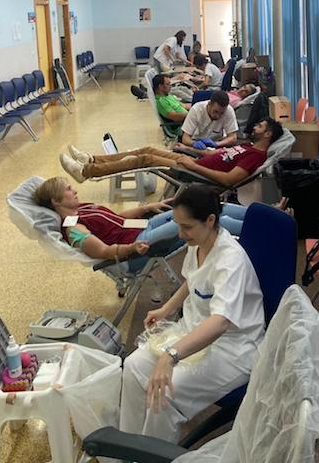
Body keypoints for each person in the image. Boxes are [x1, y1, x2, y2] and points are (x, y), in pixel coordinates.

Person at [119, 184, 265, 443]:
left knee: (164, 392)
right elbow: (193, 280)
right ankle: (128, 446)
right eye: (178, 225)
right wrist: (166, 309)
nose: (180, 233)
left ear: (210, 220)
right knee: (132, 367)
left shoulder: (230, 260)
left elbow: (220, 322)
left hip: (232, 348)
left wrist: (171, 355)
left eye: (186, 227)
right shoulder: (198, 243)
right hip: (195, 330)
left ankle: (154, 454)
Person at [33, 178, 248, 269]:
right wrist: (131, 248)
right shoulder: (73, 229)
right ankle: (258, 228)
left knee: (212, 206)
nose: (75, 190)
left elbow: (117, 218)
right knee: (208, 219)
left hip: (143, 227)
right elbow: (104, 251)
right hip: (137, 246)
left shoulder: (82, 208)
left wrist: (147, 208)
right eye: (68, 190)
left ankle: (256, 215)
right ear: (56, 201)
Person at [59, 117, 284, 186]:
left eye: (260, 127)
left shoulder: (255, 156)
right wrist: (188, 149)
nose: (255, 127)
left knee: (145, 159)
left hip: (194, 172)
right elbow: (216, 156)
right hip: (192, 162)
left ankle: (86, 172)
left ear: (267, 135)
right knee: (147, 149)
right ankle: (92, 159)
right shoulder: (247, 146)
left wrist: (193, 165)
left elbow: (228, 180)